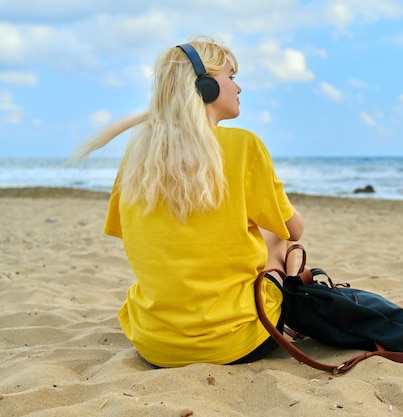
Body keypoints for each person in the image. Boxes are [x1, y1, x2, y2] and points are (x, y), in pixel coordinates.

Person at [73, 37, 304, 367]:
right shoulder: (245, 145)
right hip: (236, 343)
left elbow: (142, 237)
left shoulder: (137, 157)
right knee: (278, 237)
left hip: (155, 346)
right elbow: (295, 229)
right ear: (206, 86)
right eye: (232, 77)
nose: (239, 89)